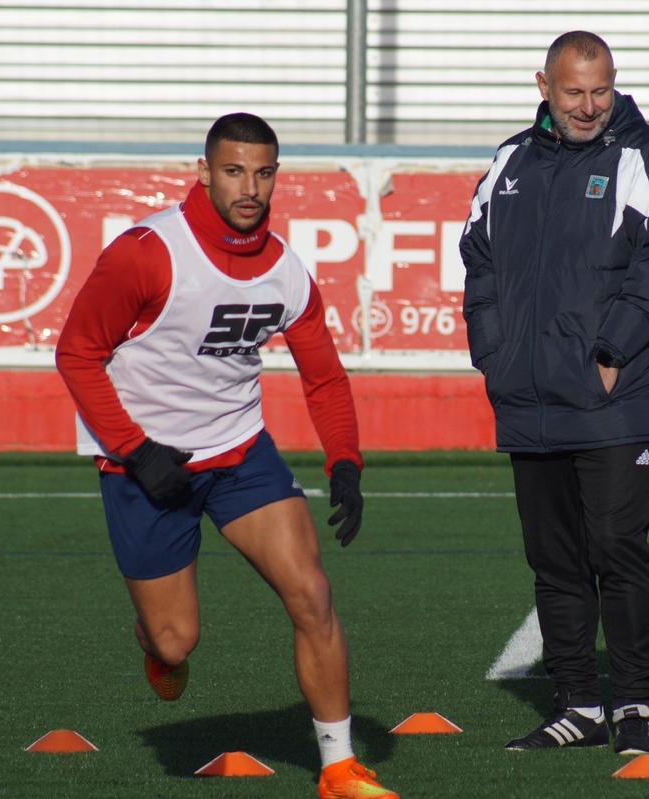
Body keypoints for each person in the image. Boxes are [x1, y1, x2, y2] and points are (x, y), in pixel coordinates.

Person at [55, 113, 398, 799]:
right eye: (235, 170)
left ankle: (338, 765)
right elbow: (76, 354)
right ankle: (153, 644)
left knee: (312, 593)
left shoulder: (285, 270)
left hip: (241, 452)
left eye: (264, 172)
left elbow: (324, 376)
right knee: (176, 640)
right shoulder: (148, 252)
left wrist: (346, 463)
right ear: (205, 171)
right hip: (145, 464)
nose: (250, 187)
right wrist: (135, 449)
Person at [460, 31, 649, 754]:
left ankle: (632, 704)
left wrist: (612, 349)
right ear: (544, 85)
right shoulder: (511, 160)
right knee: (556, 561)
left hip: (615, 400)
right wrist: (492, 350)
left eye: (601, 90)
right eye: (574, 92)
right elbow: (478, 257)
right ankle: (578, 706)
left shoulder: (647, 156)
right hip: (528, 398)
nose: (590, 106)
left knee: (618, 550)